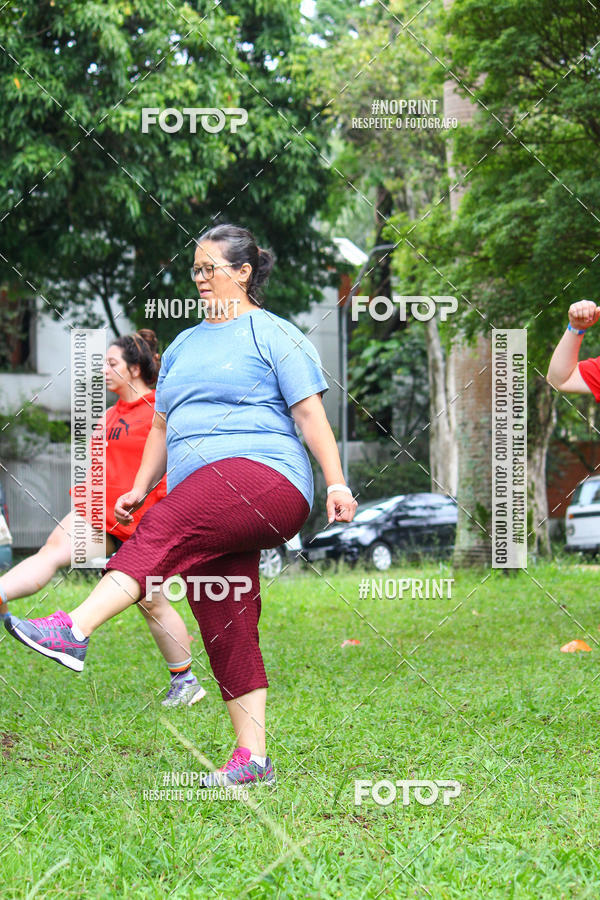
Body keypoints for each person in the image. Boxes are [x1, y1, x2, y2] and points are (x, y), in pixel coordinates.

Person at [4, 223, 357, 787]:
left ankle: (73, 628)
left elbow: (310, 414)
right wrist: (140, 488)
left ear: (242, 273)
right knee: (224, 616)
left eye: (209, 268)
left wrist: (336, 483)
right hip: (208, 496)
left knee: (169, 523)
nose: (199, 279)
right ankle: (253, 760)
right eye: (194, 270)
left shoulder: (276, 334)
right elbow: (163, 426)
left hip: (268, 480)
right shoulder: (187, 344)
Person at [0, 329, 204, 708]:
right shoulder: (110, 414)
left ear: (136, 368)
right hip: (103, 517)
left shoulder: (161, 409)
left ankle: (186, 681)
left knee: (152, 603)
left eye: (112, 364)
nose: (105, 371)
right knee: (53, 550)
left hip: (148, 524)